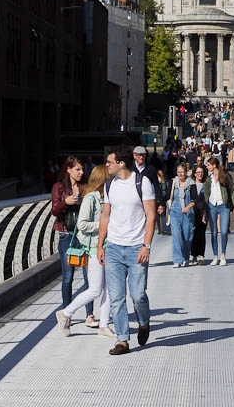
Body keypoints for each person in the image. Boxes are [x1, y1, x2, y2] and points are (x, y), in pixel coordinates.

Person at [97, 146, 156, 356]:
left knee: (138, 295)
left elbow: (151, 216)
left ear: (121, 163)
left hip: (136, 248)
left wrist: (146, 245)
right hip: (113, 247)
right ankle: (122, 340)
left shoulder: (142, 183)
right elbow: (105, 214)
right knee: (116, 297)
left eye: (109, 162)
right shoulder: (109, 184)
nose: (106, 165)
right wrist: (100, 244)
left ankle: (144, 322)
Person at [56, 165, 115, 338]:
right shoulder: (91, 198)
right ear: (102, 179)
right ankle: (66, 313)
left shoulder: (105, 198)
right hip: (94, 248)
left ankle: (104, 325)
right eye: (109, 178)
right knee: (96, 289)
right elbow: (82, 225)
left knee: (108, 289)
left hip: (106, 247)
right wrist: (103, 225)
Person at [51, 156, 95, 326]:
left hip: (84, 236)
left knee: (88, 277)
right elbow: (54, 210)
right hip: (66, 235)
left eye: (82, 169)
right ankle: (66, 315)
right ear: (68, 169)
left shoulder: (86, 187)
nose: (81, 172)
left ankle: (90, 315)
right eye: (77, 169)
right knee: (68, 277)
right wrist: (65, 202)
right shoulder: (59, 187)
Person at [203, 157, 234, 266]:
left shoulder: (225, 176)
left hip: (224, 206)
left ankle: (223, 254)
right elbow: (206, 194)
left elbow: (233, 191)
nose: (207, 167)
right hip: (212, 206)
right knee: (213, 232)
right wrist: (205, 210)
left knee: (223, 231)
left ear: (214, 166)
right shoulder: (208, 178)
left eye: (208, 165)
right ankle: (215, 256)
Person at [168, 163, 195, 267]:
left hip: (187, 213)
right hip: (175, 211)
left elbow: (195, 200)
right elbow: (168, 196)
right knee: (176, 236)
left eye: (182, 172)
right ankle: (177, 260)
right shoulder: (173, 182)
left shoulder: (191, 183)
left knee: (187, 237)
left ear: (186, 172)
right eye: (178, 172)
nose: (180, 174)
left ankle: (185, 257)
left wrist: (188, 207)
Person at [133, 145, 165, 217]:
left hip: (148, 201)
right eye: (139, 155)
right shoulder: (130, 169)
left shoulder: (150, 169)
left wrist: (161, 203)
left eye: (143, 155)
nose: (141, 157)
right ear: (134, 156)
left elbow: (156, 186)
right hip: (134, 202)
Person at [190, 164, 208, 265]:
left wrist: (204, 211)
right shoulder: (191, 184)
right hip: (192, 211)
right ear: (194, 174)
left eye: (201, 172)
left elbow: (207, 198)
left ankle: (201, 255)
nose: (200, 174)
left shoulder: (206, 185)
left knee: (201, 232)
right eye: (198, 172)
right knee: (193, 233)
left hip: (203, 211)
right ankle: (193, 254)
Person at [156, 169, 170, 234]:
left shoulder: (165, 183)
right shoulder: (157, 182)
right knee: (158, 215)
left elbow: (165, 193)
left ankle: (163, 229)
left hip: (162, 201)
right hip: (158, 201)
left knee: (163, 215)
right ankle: (160, 229)